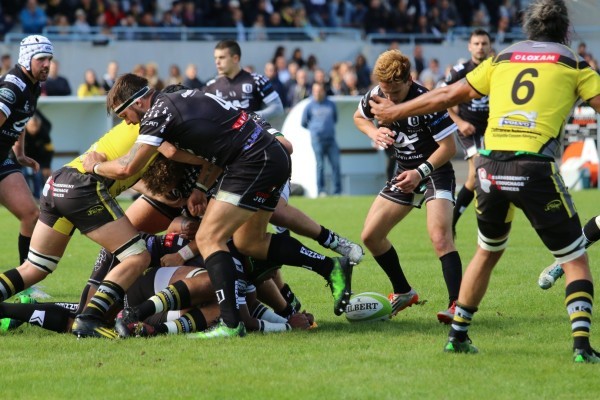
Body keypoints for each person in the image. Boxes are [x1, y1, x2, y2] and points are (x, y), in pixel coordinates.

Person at [368, 0, 600, 363]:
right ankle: (582, 347)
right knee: (574, 259)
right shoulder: (574, 64)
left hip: (488, 167)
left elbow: (447, 95)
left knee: (487, 251)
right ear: (565, 30)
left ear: (528, 28)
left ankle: (458, 335)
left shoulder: (502, 58)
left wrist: (394, 111)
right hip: (533, 166)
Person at [91, 73, 354, 339]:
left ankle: (231, 323)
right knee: (250, 243)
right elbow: (212, 154)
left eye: (124, 115)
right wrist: (200, 188)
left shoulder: (158, 112)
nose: (127, 122)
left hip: (252, 162)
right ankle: (329, 267)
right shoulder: (184, 97)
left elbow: (127, 168)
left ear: (137, 103)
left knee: (209, 237)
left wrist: (95, 166)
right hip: (268, 157)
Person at [0, 114, 171, 338]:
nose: (125, 117)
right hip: (81, 187)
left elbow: (133, 175)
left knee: (35, 267)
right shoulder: (159, 126)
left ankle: (77, 315)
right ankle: (89, 319)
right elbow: (132, 167)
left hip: (58, 182)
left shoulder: (143, 127)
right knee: (137, 256)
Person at [354, 49, 462, 324]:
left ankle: (457, 306)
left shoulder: (426, 101)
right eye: (385, 92)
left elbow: (449, 148)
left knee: (440, 237)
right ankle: (403, 291)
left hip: (434, 171)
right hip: (405, 173)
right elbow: (359, 117)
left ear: (409, 80)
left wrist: (420, 172)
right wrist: (374, 132)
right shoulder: (377, 94)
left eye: (396, 93)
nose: (389, 99)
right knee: (371, 236)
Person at [0, 35, 53, 265]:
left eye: (49, 59)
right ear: (27, 58)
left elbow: (20, 120)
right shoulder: (13, 86)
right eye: (41, 59)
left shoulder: (34, 86)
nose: (47, 64)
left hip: (3, 158)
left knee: (31, 215)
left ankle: (24, 278)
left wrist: (19, 154)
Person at [444, 29, 492, 235]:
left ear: (490, 46)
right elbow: (442, 100)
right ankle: (457, 222)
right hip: (469, 129)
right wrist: (459, 122)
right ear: (469, 47)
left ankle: (453, 221)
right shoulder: (459, 72)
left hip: (492, 130)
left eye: (484, 43)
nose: (480, 47)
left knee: (480, 178)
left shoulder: (497, 68)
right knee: (477, 173)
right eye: (477, 43)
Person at [302, 82, 341, 196]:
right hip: (317, 140)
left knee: (336, 164)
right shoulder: (309, 106)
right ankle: (321, 190)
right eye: (315, 91)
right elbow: (303, 122)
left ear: (323, 91)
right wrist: (314, 130)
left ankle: (337, 191)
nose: (317, 93)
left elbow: (335, 119)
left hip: (331, 139)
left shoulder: (331, 104)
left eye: (319, 91)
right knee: (320, 165)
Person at [21, 110, 54, 199]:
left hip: (38, 159)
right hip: (22, 159)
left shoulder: (44, 133)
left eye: (37, 126)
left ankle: (38, 198)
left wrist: (47, 166)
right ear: (26, 125)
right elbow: (13, 152)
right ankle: (26, 197)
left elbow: (49, 151)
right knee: (23, 174)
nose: (34, 129)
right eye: (32, 126)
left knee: (39, 175)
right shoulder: (21, 132)